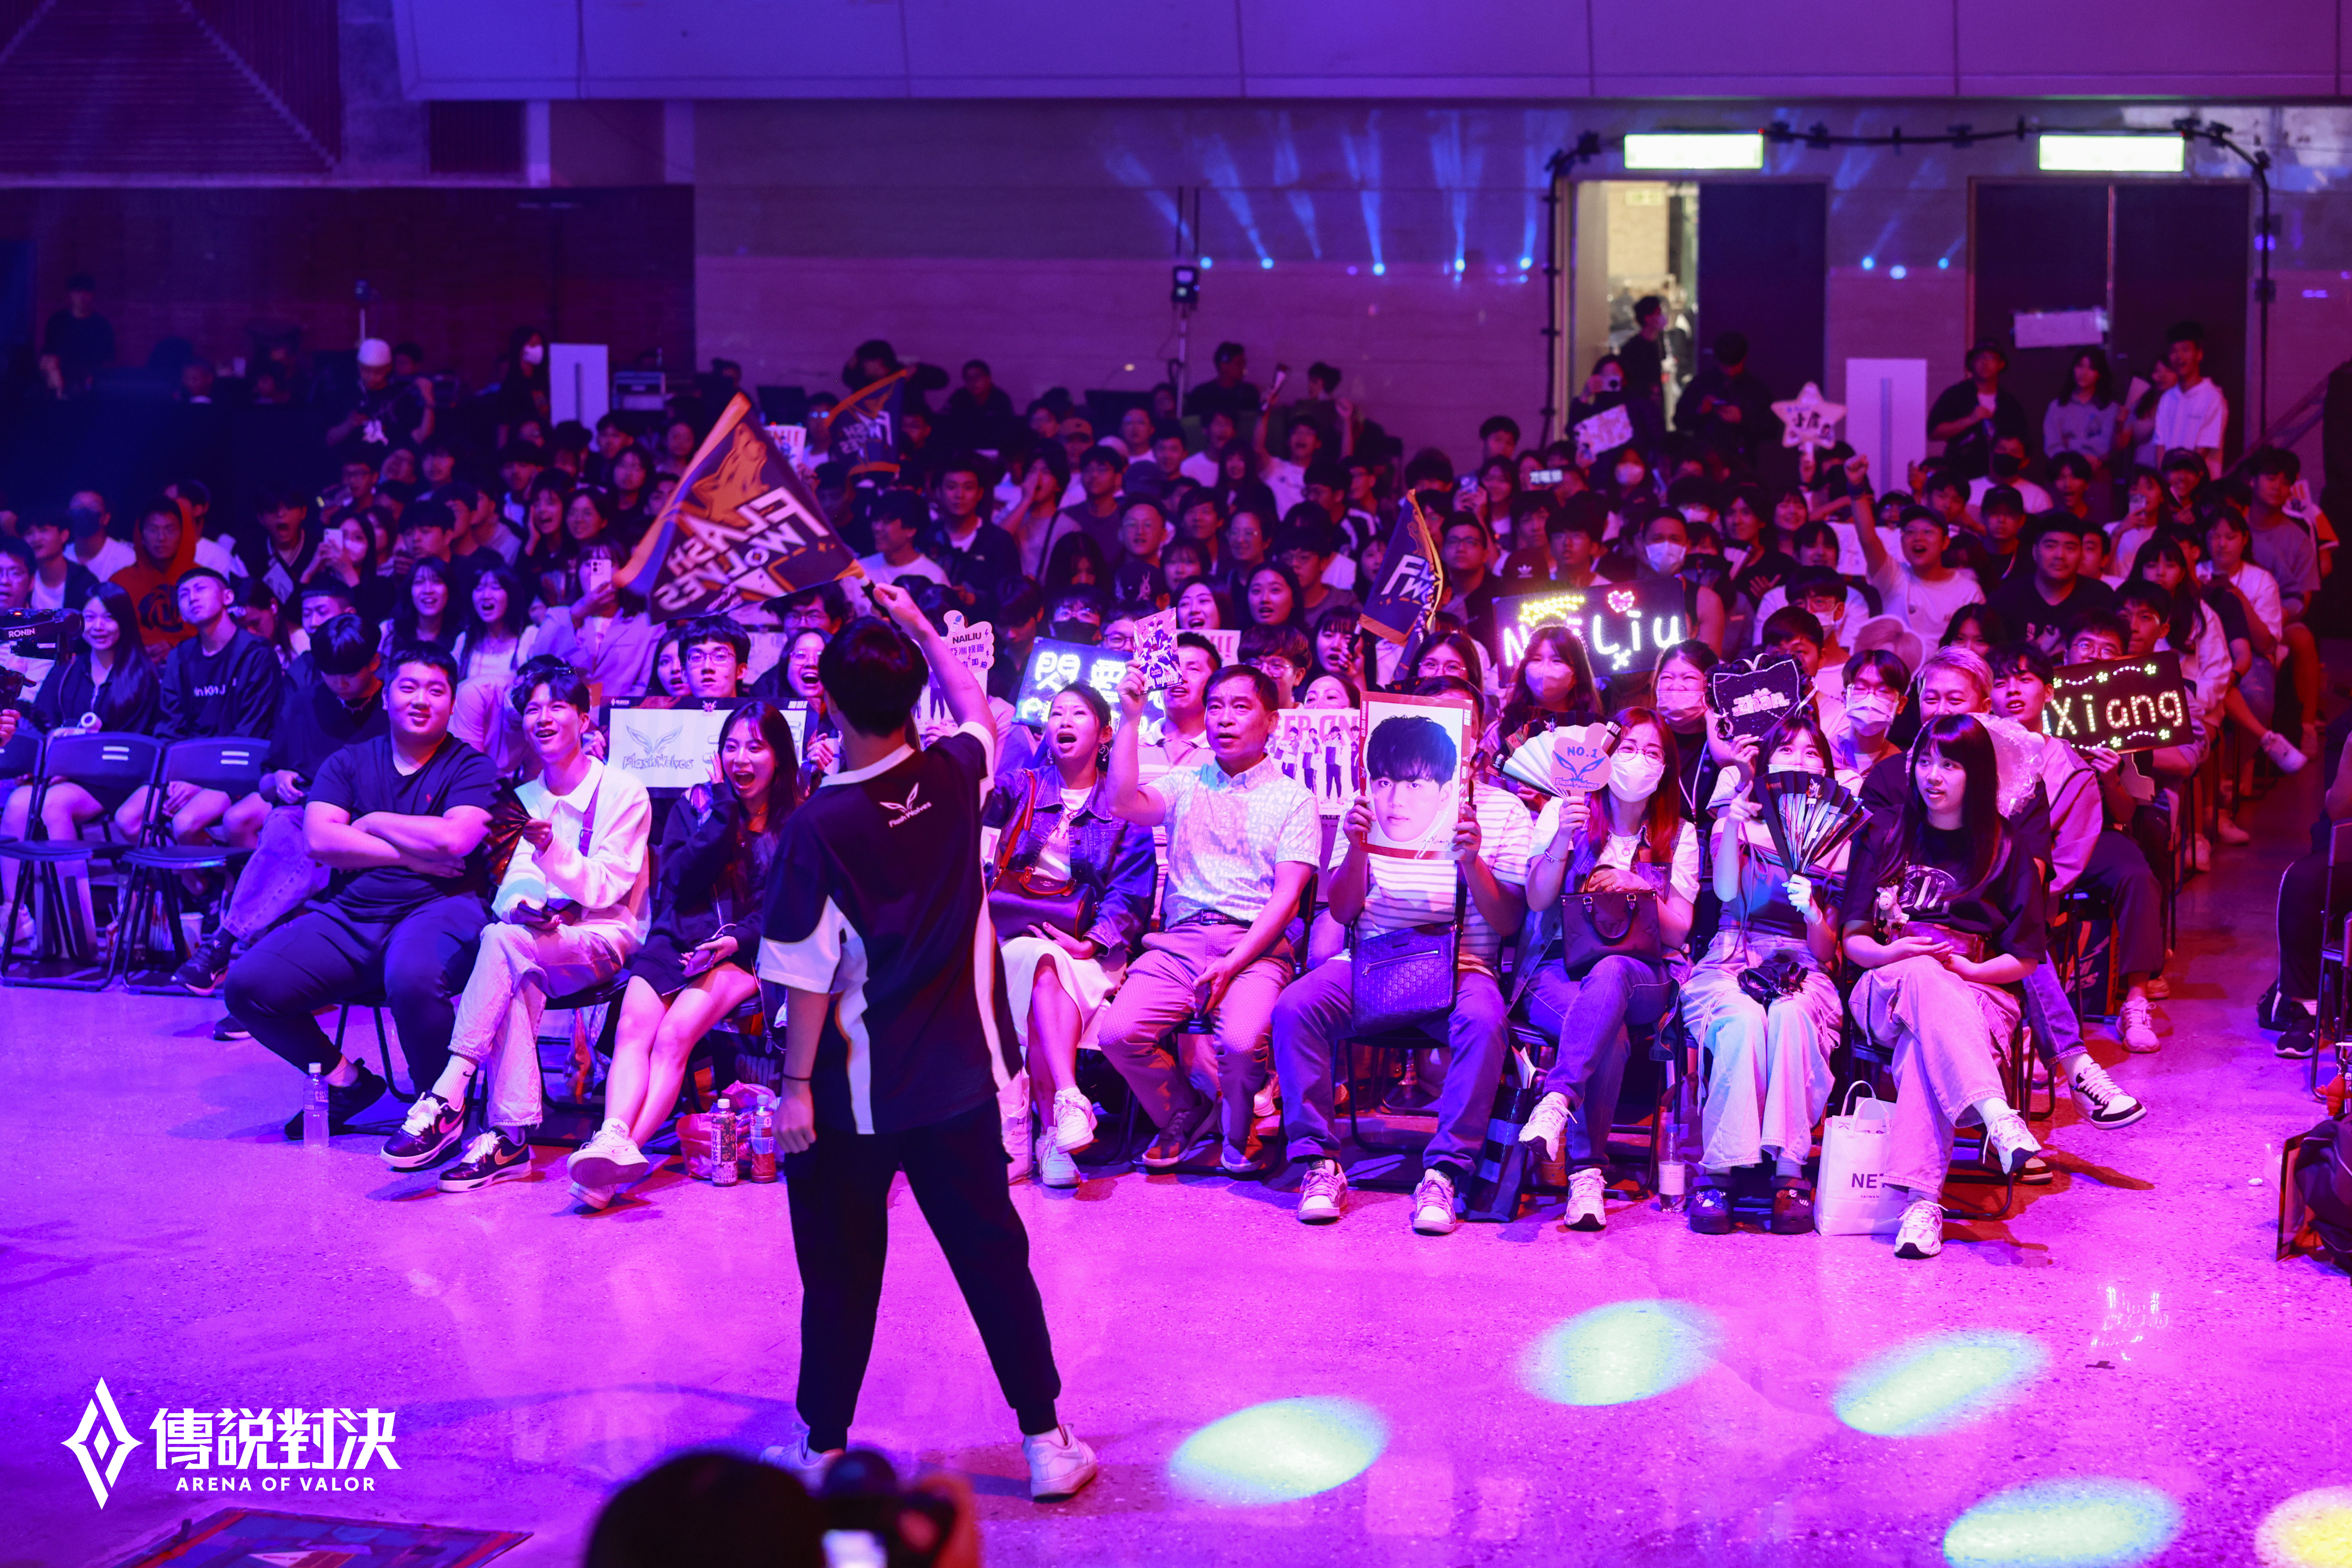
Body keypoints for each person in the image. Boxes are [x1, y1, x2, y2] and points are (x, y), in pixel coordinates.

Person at [756, 582, 1096, 1505]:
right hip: (960, 1085)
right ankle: (1046, 1442)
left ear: (827, 702)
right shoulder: (953, 774)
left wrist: (794, 1086)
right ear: (914, 699)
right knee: (993, 1261)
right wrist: (915, 624)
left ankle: (821, 1448)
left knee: (838, 1272)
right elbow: (976, 704)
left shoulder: (817, 826)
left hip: (849, 1098)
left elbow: (804, 973)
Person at [1273, 676, 1531, 1233]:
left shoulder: (1505, 810)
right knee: (1296, 1006)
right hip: (1371, 960)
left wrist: (1472, 861)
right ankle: (1318, 1162)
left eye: (1458, 720)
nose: (1397, 793)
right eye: (1390, 778)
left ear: (1478, 733)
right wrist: (1356, 849)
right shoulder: (1369, 803)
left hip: (1462, 964)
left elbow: (1509, 921)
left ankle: (1444, 1172)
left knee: (1484, 1020)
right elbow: (1344, 910)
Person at [381, 659, 651, 1190]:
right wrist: (524, 907)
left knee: (503, 947)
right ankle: (508, 1139)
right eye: (532, 709)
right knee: (508, 950)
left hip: (602, 940)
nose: (543, 718)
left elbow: (606, 889)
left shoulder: (623, 791)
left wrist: (551, 849)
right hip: (534, 943)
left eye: (557, 707)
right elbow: (511, 888)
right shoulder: (522, 799)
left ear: (584, 718)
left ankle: (450, 1093)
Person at [221, 646, 498, 1139]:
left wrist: (371, 823)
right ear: (387, 695)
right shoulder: (347, 762)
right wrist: (411, 857)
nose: (421, 700)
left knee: (412, 976)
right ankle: (345, 1082)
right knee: (247, 985)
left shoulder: (471, 767)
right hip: (353, 913)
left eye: (436, 690)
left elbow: (454, 840)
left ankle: (437, 1105)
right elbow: (320, 840)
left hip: (442, 906)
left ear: (452, 703)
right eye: (409, 687)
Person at [573, 701, 802, 1208]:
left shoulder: (797, 821)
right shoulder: (696, 804)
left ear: (779, 757)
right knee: (633, 1027)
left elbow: (789, 906)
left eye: (755, 747)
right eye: (732, 746)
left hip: (746, 951)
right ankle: (613, 1137)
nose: (740, 758)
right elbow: (679, 879)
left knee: (674, 1035)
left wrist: (736, 941)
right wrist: (721, 811)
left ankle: (616, 1159)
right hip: (677, 939)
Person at [1840, 713, 2045, 1262]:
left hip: (1978, 990)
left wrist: (1969, 972)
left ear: (1975, 774)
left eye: (1950, 765)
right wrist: (1896, 953)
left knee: (1921, 1048)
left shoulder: (2005, 847)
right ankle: (1995, 1112)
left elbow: (2025, 958)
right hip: (1886, 984)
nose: (1933, 775)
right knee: (1922, 974)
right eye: (1925, 761)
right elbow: (1854, 939)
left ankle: (1921, 1206)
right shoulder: (1884, 834)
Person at [1098, 662, 1318, 1172]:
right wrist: (1130, 719)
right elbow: (1123, 802)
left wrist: (1233, 962)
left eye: (1240, 707)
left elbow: (1286, 899)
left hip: (1254, 946)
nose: (1224, 718)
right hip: (1178, 944)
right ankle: (1183, 1109)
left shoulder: (1293, 798)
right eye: (1215, 706)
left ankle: (1239, 1126)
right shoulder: (1185, 782)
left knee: (1240, 1044)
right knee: (1117, 1034)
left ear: (1272, 721)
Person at [1517, 709, 1701, 1230]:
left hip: (1641, 973)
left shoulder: (1678, 834)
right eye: (1628, 749)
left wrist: (1638, 885)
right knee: (1608, 1035)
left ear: (1665, 770)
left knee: (1613, 971)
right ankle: (1586, 1174)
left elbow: (1678, 931)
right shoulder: (1565, 811)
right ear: (1603, 757)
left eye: (1652, 752)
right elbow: (1536, 900)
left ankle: (1556, 1097)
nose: (1638, 760)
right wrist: (1561, 839)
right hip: (1558, 968)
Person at [1678, 714, 1846, 1234]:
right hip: (1733, 955)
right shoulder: (1738, 821)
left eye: (1812, 752)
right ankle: (1719, 1170)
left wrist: (1813, 911)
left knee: (1792, 1018)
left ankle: (1789, 1172)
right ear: (1767, 763)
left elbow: (1826, 948)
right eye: (1787, 750)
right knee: (1743, 1019)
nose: (1800, 760)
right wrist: (1731, 820)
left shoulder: (1838, 838)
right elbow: (1726, 892)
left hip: (1801, 964)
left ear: (1826, 768)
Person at [987, 686, 1157, 1189]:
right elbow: (975, 802)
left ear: (1104, 733)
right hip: (1015, 936)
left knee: (1045, 975)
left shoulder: (1123, 804)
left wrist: (1093, 942)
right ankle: (1066, 1103)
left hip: (1088, 948)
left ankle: (1042, 1133)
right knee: (1040, 962)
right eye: (1055, 713)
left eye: (1077, 713)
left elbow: (1130, 893)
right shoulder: (1022, 786)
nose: (1063, 720)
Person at [171, 614, 387, 999]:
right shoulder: (305, 703)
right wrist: (279, 779)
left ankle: (225, 946)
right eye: (330, 673)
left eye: (349, 674)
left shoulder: (393, 706)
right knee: (286, 825)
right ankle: (252, 980)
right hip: (307, 814)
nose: (339, 683)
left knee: (296, 837)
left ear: (374, 661)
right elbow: (267, 780)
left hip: (368, 822)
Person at [1989, 639, 2169, 1079]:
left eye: (2024, 679)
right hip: (1993, 860)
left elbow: (2117, 818)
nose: (2013, 690)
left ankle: (2133, 1000)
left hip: (2069, 849)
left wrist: (2110, 779)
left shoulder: (2071, 756)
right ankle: (2016, 1026)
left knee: (2133, 875)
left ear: (2049, 691)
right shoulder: (1975, 748)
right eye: (2001, 681)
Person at [115, 567, 286, 844]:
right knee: (128, 820)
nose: (192, 597)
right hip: (190, 768)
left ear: (227, 597)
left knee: (184, 824)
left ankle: (220, 869)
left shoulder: (257, 653)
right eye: (184, 594)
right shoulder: (180, 657)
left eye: (201, 589)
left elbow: (251, 732)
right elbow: (170, 727)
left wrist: (200, 781)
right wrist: (176, 775)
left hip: (239, 769)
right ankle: (193, 872)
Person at [536, 541, 658, 702]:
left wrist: (611, 711)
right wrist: (576, 614)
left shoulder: (646, 625)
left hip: (619, 713)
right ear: (578, 573)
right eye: (589, 564)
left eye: (607, 563)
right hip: (566, 713)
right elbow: (536, 664)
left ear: (623, 572)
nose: (597, 570)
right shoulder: (558, 617)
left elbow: (646, 684)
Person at [1986, 514, 2115, 655]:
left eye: (2070, 548)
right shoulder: (2005, 599)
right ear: (2034, 551)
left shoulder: (2100, 597)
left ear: (2081, 554)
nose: (2060, 555)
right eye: (2050, 546)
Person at [1859, 504, 1983, 641]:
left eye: (1928, 532)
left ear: (1945, 542)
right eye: (1910, 532)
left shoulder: (1969, 592)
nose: (1918, 538)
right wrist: (1857, 497)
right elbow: (1868, 542)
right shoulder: (1893, 576)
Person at [1927, 340, 2028, 481]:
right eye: (1980, 357)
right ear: (1972, 363)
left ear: (2001, 364)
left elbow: (2023, 440)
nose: (1985, 363)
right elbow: (1933, 432)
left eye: (1991, 358)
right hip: (1961, 473)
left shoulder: (2009, 403)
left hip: (2000, 476)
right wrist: (1970, 420)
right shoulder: (1956, 395)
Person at [2152, 321, 2227, 479]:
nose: (2179, 357)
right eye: (2174, 351)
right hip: (2170, 483)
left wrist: (2179, 479)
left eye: (2185, 350)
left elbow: (2203, 450)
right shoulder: (2167, 398)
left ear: (2199, 354)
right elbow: (2160, 445)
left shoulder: (2213, 398)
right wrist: (2165, 480)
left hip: (2200, 485)